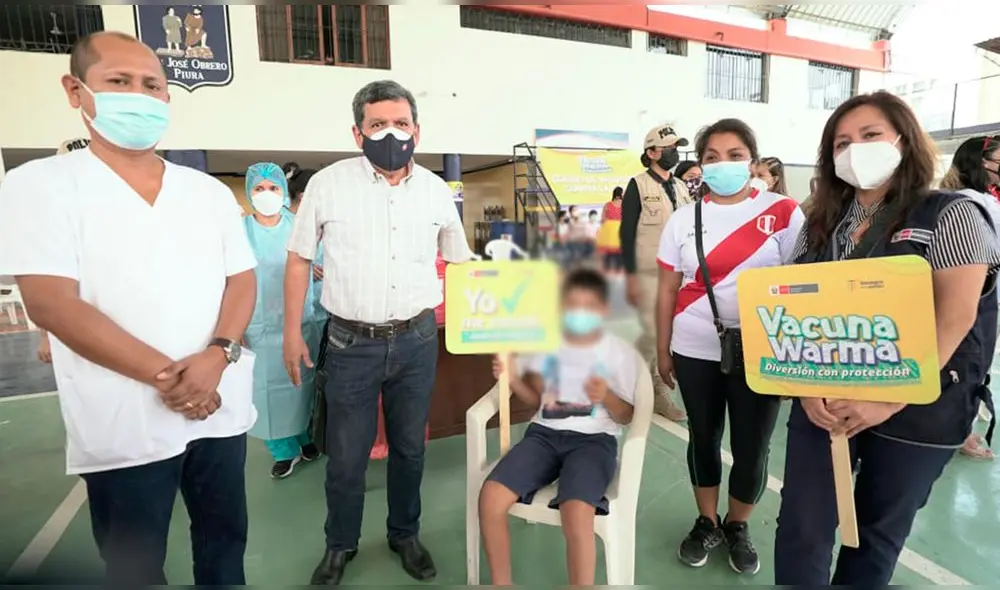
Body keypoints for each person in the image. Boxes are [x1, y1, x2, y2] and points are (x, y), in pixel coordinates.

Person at [0, 32, 257, 585]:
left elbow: (241, 280)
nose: (138, 96)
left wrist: (217, 356)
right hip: (125, 419)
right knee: (134, 565)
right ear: (76, 90)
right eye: (119, 82)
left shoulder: (205, 193)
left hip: (218, 409)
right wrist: (176, 381)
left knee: (224, 546)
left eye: (152, 86)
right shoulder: (41, 188)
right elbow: (53, 304)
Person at [774, 91, 1000, 585]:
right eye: (842, 142)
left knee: (876, 534)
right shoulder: (820, 225)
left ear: (905, 139)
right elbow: (795, 311)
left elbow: (954, 319)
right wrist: (806, 388)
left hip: (918, 409)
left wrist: (887, 399)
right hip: (824, 402)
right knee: (801, 527)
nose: (855, 149)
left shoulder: (951, 214)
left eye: (871, 135)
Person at [283, 80, 475, 585]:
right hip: (351, 344)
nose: (391, 132)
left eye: (401, 123)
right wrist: (290, 331)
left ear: (417, 130)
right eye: (378, 124)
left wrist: (499, 315)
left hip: (416, 342)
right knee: (346, 457)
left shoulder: (436, 190)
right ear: (357, 132)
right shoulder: (328, 184)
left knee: (411, 449)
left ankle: (404, 534)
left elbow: (461, 262)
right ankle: (339, 545)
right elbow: (299, 257)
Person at [656, 118, 804, 575]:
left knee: (752, 445)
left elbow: (801, 286)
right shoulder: (683, 218)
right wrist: (663, 349)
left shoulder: (783, 212)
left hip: (762, 351)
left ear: (753, 161)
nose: (723, 165)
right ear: (700, 166)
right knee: (703, 438)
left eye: (735, 155)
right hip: (694, 346)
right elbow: (666, 289)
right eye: (711, 157)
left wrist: (794, 358)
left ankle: (737, 524)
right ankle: (707, 520)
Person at [478, 268, 637, 585]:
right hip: (543, 437)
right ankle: (501, 583)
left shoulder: (618, 353)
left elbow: (628, 415)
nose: (579, 314)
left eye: (588, 306)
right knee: (490, 498)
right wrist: (511, 377)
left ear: (604, 310)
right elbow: (536, 400)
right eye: (572, 305)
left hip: (594, 442)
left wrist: (605, 395)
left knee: (577, 513)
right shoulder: (548, 344)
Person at [243, 162, 322, 478]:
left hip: (301, 321)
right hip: (257, 325)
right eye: (259, 189)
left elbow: (323, 259)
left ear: (284, 192)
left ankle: (305, 438)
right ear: (250, 193)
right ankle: (283, 450)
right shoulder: (239, 232)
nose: (266, 195)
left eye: (273, 188)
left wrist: (320, 270)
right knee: (267, 390)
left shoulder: (299, 226)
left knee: (302, 385)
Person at [620, 124, 693, 422]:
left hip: (680, 273)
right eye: (669, 148)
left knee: (670, 333)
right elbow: (626, 234)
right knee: (653, 333)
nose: (674, 152)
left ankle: (639, 382)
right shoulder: (637, 185)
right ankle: (654, 390)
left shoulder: (680, 186)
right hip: (650, 273)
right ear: (652, 153)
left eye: (677, 147)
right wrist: (631, 277)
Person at [938, 135, 1000, 460]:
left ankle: (961, 426)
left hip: (983, 298)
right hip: (974, 300)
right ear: (981, 163)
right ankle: (958, 431)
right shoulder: (972, 204)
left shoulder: (977, 199)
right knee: (966, 365)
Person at [596, 187, 624, 274]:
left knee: (611, 251)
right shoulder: (623, 204)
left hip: (611, 230)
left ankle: (609, 270)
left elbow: (603, 219)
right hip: (616, 230)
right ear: (619, 194)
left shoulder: (608, 204)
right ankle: (616, 270)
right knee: (616, 251)